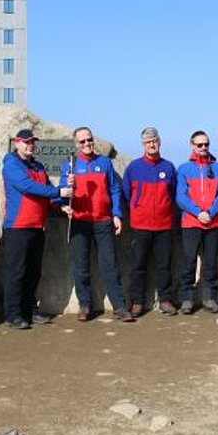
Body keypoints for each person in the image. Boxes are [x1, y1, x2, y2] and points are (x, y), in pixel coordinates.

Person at [60, 127, 135, 322]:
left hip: (103, 221)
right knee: (81, 266)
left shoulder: (105, 162)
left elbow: (115, 190)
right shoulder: (70, 165)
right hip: (80, 221)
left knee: (110, 265)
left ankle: (119, 306)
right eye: (82, 141)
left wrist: (117, 214)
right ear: (76, 144)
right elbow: (61, 193)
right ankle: (85, 305)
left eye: (89, 140)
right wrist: (66, 193)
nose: (87, 144)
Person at [1, 129, 73, 329]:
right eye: (25, 142)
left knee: (33, 272)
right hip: (18, 227)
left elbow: (47, 191)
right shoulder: (11, 165)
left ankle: (28, 310)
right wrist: (59, 191)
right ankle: (13, 315)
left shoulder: (39, 166)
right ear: (17, 143)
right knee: (17, 272)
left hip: (38, 226)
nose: (29, 145)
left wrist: (60, 204)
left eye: (32, 142)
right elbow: (28, 187)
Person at [121, 126, 177, 317]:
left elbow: (173, 192)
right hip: (141, 225)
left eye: (154, 141)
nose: (151, 144)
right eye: (148, 142)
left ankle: (165, 300)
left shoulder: (168, 167)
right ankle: (137, 302)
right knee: (138, 265)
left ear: (159, 142)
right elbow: (127, 194)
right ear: (142, 145)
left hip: (164, 225)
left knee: (165, 265)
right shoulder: (134, 167)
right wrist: (138, 207)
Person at [176, 130, 218, 314]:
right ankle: (187, 300)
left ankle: (209, 298)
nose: (203, 148)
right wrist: (198, 213)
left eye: (206, 144)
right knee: (188, 262)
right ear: (192, 146)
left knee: (211, 262)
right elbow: (180, 196)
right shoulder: (184, 169)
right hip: (192, 222)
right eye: (200, 145)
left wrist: (210, 212)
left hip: (214, 222)